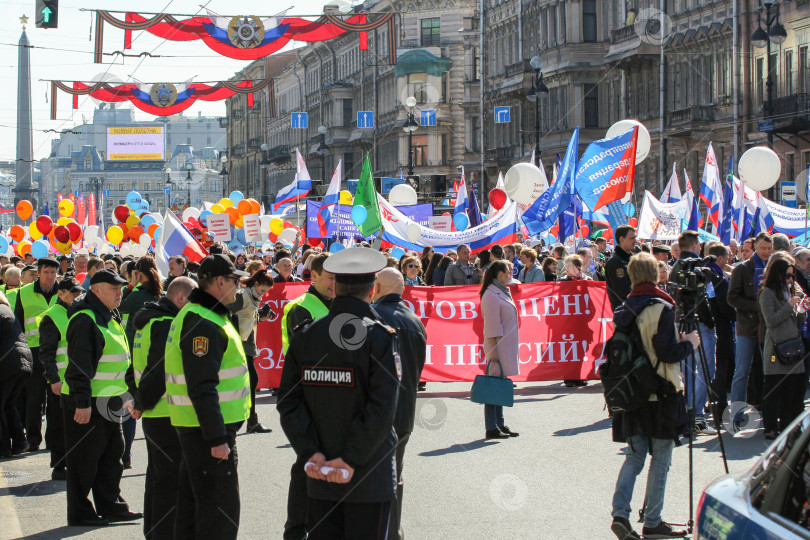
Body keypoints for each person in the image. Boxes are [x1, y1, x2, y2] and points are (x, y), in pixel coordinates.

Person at [278, 247, 399, 540]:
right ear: (373, 290)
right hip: (367, 475)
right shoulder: (380, 336)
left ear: (335, 287)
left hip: (320, 474)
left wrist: (311, 452)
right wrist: (350, 459)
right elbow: (382, 408)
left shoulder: (307, 335)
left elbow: (288, 402)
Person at [610, 252, 698, 540]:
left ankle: (620, 513)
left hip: (632, 390)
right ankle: (653, 521)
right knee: (661, 460)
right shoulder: (661, 307)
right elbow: (667, 352)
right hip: (661, 390)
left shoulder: (623, 308)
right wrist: (690, 345)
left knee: (635, 457)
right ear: (657, 274)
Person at [164, 255, 250, 540]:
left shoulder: (202, 315)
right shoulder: (203, 321)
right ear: (220, 281)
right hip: (207, 432)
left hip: (198, 427)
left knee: (193, 507)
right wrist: (216, 439)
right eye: (235, 281)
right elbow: (201, 385)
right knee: (219, 512)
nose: (238, 287)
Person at [63, 269, 141, 527]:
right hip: (90, 402)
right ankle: (80, 512)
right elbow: (78, 366)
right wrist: (82, 403)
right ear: (96, 290)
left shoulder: (110, 315)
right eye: (114, 288)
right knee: (84, 461)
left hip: (110, 401)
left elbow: (124, 361)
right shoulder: (85, 319)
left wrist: (133, 397)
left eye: (120, 288)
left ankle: (112, 506)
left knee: (112, 458)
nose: (120, 293)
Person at [130, 276, 196, 540]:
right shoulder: (168, 323)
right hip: (168, 411)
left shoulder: (149, 320)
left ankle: (155, 531)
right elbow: (158, 369)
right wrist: (141, 401)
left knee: (157, 477)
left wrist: (139, 399)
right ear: (180, 298)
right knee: (170, 481)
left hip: (156, 411)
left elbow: (135, 362)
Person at [279, 252, 334, 540]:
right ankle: (296, 529)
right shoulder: (301, 307)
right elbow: (306, 354)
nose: (334, 284)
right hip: (305, 395)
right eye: (330, 278)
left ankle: (315, 525)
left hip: (328, 396)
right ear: (313, 276)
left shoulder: (335, 305)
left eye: (338, 278)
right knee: (306, 464)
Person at [372, 268, 427, 540]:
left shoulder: (369, 316)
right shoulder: (415, 321)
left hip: (373, 412)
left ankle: (379, 530)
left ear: (378, 288)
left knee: (370, 477)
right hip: (404, 410)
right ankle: (393, 530)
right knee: (395, 471)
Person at [670, 230, 718, 435]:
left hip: (680, 322)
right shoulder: (695, 266)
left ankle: (691, 413)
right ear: (694, 245)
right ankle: (696, 414)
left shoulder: (676, 267)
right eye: (698, 245)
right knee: (705, 370)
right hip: (697, 324)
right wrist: (711, 322)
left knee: (688, 371)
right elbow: (702, 299)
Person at [118, 256, 163, 469]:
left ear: (137, 273)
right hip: (154, 352)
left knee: (131, 404)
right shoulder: (160, 293)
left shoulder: (138, 294)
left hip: (135, 351)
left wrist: (130, 285)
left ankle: (125, 453)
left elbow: (119, 307)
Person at [37, 276, 84, 480]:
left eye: (78, 292)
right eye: (72, 292)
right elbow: (47, 352)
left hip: (77, 380)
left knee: (77, 424)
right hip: (60, 382)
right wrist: (53, 379)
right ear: (60, 293)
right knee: (58, 424)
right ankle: (59, 465)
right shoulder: (52, 316)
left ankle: (75, 462)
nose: (76, 296)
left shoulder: (79, 312)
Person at [14, 255, 59, 453]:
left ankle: (53, 440)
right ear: (38, 274)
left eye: (53, 272)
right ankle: (33, 439)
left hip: (58, 353)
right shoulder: (23, 293)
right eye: (46, 272)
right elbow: (18, 324)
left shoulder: (63, 292)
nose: (50, 276)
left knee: (56, 401)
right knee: (34, 399)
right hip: (33, 352)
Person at [758, 255, 806, 439]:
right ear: (777, 274)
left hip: (794, 345)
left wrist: (801, 311)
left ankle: (788, 425)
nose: (790, 280)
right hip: (777, 345)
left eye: (792, 276)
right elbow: (771, 320)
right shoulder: (767, 292)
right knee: (773, 388)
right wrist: (788, 306)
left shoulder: (791, 290)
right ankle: (770, 427)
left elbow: (794, 320)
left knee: (791, 390)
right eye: (787, 276)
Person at [728, 232, 773, 419]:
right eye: (763, 248)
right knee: (742, 371)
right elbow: (731, 297)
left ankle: (769, 411)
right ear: (755, 248)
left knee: (769, 371)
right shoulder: (743, 268)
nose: (766, 252)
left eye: (769, 249)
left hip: (768, 327)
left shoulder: (773, 268)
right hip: (747, 327)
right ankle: (736, 413)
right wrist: (757, 306)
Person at [228, 269, 275, 434]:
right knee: (249, 381)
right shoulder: (243, 295)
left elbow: (245, 317)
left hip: (246, 343)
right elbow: (226, 313)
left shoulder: (252, 295)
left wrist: (260, 317)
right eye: (263, 290)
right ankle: (247, 420)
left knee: (250, 381)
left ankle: (250, 420)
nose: (263, 294)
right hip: (238, 345)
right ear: (256, 283)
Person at [479, 260, 520, 439]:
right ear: (500, 274)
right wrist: (494, 351)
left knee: (499, 386)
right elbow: (492, 324)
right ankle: (491, 426)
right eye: (509, 271)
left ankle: (500, 423)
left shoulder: (502, 291)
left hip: (505, 345)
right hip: (497, 346)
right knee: (493, 387)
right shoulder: (491, 294)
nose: (511, 274)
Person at [0, 290, 32, 459]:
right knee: (8, 404)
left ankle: (3, 448)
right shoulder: (6, 309)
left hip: (8, 363)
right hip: (21, 361)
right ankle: (20, 441)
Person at [705, 244, 736, 414]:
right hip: (720, 327)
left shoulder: (705, 273)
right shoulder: (717, 276)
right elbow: (725, 306)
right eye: (728, 256)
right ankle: (719, 402)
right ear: (720, 258)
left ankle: (714, 400)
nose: (729, 259)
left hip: (713, 325)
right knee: (720, 367)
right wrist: (736, 316)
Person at [606, 225, 635, 310]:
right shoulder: (615, 262)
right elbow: (622, 292)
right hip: (624, 314)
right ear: (622, 239)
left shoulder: (631, 260)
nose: (635, 241)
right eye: (632, 238)